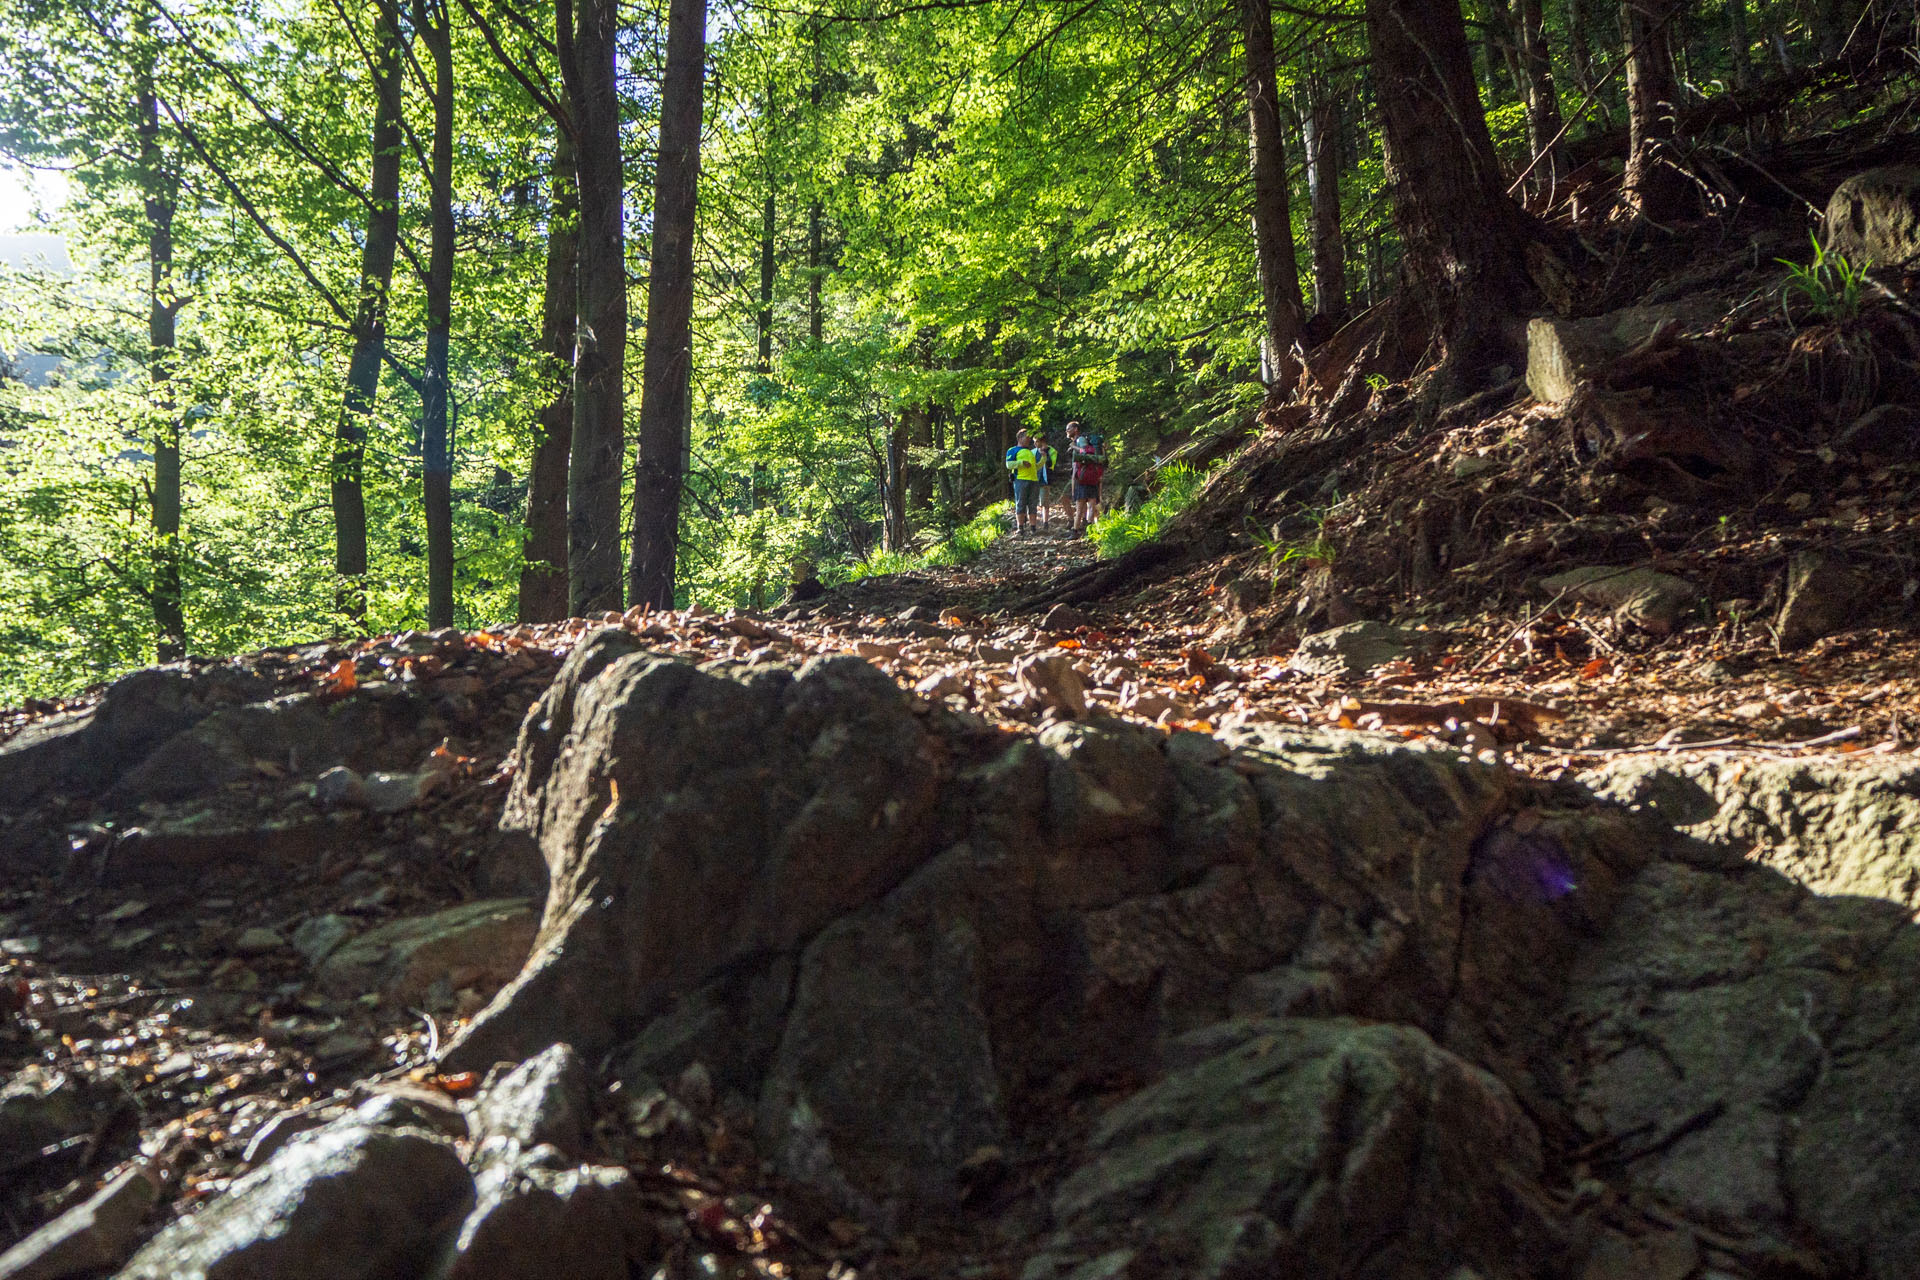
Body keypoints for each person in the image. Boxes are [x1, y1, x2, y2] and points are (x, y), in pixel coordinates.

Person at [1067, 421, 1106, 534]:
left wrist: (1073, 446)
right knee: (1091, 505)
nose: (1067, 431)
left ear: (1075, 429)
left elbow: (1083, 452)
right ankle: (1090, 530)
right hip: (1092, 476)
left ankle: (1075, 531)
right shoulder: (1084, 441)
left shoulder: (1080, 440)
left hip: (1083, 477)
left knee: (1080, 507)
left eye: (1068, 428)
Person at [1006, 430, 1042, 535]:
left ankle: (1033, 528)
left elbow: (1036, 467)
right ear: (1020, 438)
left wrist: (1043, 458)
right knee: (1020, 503)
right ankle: (1020, 528)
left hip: (1034, 480)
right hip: (1020, 480)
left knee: (1033, 504)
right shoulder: (1012, 450)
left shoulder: (1030, 452)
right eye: (1027, 437)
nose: (1029, 439)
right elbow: (1008, 465)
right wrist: (1021, 463)